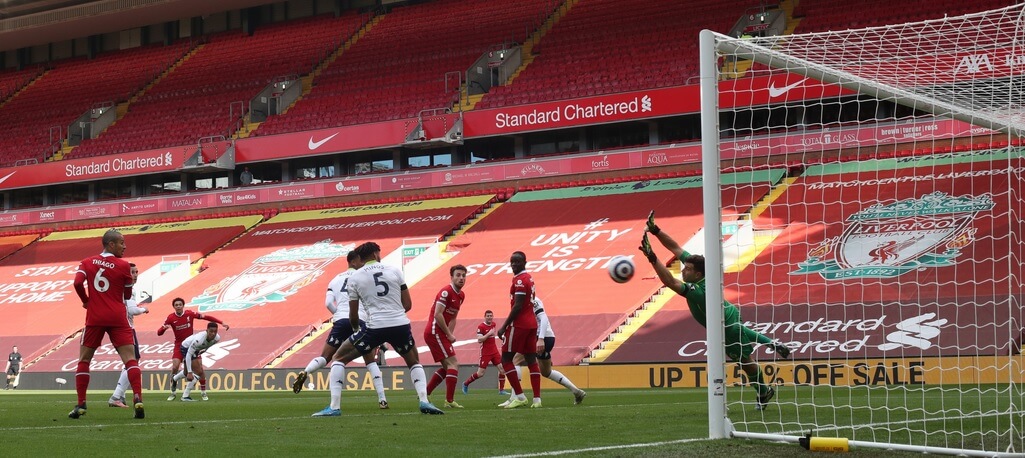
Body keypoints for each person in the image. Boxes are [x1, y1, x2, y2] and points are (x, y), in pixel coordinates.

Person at [641, 211, 791, 410]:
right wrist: (655, 230)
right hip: (727, 315)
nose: (683, 270)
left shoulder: (699, 291)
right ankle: (765, 376)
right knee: (743, 359)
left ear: (697, 273)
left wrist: (652, 257)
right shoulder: (701, 272)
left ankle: (733, 399)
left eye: (686, 269)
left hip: (723, 323)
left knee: (742, 359)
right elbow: (676, 248)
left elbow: (669, 281)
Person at [312, 241, 444, 416]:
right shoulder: (395, 271)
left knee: (338, 357)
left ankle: (334, 407)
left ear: (360, 258)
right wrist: (394, 315)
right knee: (413, 362)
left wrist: (357, 330)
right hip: (400, 324)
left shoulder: (355, 278)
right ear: (375, 254)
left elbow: (353, 315)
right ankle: (424, 401)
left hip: (374, 327)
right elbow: (408, 304)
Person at [292, 250, 389, 410]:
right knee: (370, 360)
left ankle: (306, 372)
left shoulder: (335, 280)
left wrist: (339, 315)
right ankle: (382, 399)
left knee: (326, 357)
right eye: (359, 261)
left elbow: (328, 303)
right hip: (360, 320)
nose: (362, 263)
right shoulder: (362, 277)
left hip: (341, 321)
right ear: (353, 261)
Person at [69, 229, 145, 419]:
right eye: (121, 243)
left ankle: (81, 404)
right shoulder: (124, 266)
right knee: (130, 360)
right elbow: (127, 295)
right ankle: (138, 398)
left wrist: (86, 300)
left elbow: (77, 283)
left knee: (84, 360)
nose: (124, 246)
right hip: (118, 317)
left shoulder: (86, 262)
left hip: (95, 317)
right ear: (111, 244)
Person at [501, 297, 585, 406]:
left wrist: (540, 339)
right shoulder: (525, 301)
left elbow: (543, 317)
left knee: (515, 360)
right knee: (546, 372)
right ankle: (577, 391)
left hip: (541, 337)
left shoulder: (532, 300)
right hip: (547, 337)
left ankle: (515, 397)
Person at [158, 297, 229, 401]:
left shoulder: (189, 314)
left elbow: (206, 317)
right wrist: (163, 329)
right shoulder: (170, 318)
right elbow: (158, 333)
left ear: (183, 305)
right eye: (176, 305)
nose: (178, 306)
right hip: (180, 345)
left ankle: (202, 392)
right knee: (175, 367)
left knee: (197, 369)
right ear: (174, 307)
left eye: (180, 304)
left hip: (193, 344)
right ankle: (173, 392)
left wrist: (221, 322)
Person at [495, 251, 541, 409]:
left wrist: (504, 326)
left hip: (519, 325)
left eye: (517, 262)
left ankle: (520, 396)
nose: (514, 265)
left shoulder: (521, 280)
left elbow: (518, 306)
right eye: (512, 262)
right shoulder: (528, 278)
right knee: (531, 360)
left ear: (525, 262)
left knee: (506, 359)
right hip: (531, 324)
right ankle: (537, 399)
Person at [424, 264, 467, 409]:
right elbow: (437, 314)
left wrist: (450, 335)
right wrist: (448, 333)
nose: (461, 278)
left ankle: (425, 393)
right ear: (452, 277)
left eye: (463, 275)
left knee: (448, 366)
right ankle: (449, 401)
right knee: (453, 364)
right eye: (458, 275)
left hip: (441, 333)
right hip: (435, 331)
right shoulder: (446, 292)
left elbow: (453, 317)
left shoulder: (461, 295)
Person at [108, 263, 148, 408]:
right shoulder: (128, 289)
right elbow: (132, 310)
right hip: (127, 328)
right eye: (132, 272)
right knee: (133, 362)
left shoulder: (117, 288)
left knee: (129, 362)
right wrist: (143, 309)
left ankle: (121, 395)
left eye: (137, 271)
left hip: (118, 328)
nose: (135, 274)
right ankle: (116, 396)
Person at [461, 310, 507, 395]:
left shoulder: (493, 324)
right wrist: (488, 334)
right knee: (480, 373)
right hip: (485, 353)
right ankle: (465, 383)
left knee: (502, 369)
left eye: (491, 316)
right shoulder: (481, 326)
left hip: (494, 351)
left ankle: (501, 390)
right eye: (488, 316)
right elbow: (479, 340)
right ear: (485, 317)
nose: (489, 317)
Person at [176, 322, 221, 401]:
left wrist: (203, 350)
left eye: (215, 331)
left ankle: (174, 378)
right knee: (199, 372)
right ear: (207, 331)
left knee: (188, 372)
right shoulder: (198, 340)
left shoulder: (217, 338)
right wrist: (190, 372)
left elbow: (208, 345)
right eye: (211, 331)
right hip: (186, 347)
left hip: (197, 349)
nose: (213, 334)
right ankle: (185, 396)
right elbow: (189, 355)